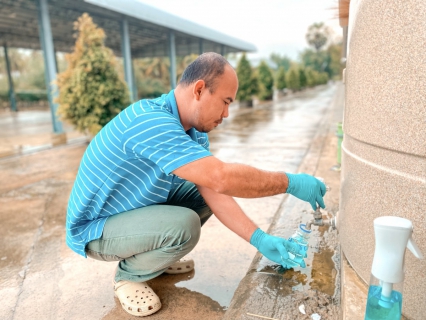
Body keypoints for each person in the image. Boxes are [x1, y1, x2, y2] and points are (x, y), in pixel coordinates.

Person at [65, 52, 326, 317]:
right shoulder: (149, 120)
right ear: (199, 89)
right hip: (95, 229)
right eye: (225, 102)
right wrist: (289, 182)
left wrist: (259, 239)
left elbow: (213, 188)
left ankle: (153, 256)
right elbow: (221, 177)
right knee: (184, 226)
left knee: (201, 196)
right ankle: (129, 275)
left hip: (130, 212)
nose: (226, 114)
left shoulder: (193, 131)